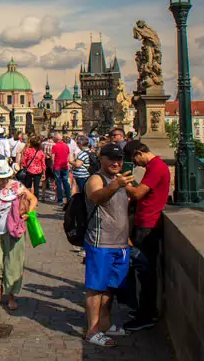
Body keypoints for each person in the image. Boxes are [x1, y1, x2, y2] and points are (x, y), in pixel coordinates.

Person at [83, 143, 135, 347]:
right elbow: (97, 197)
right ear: (101, 159)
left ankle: (104, 323)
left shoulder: (119, 179)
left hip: (120, 242)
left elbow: (135, 197)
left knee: (110, 287)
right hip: (100, 241)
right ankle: (92, 330)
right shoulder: (97, 179)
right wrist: (116, 185)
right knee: (96, 287)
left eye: (119, 159)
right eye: (111, 159)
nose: (116, 163)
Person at [123, 141, 170, 331]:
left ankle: (147, 315)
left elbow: (139, 194)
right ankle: (143, 310)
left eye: (134, 159)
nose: (135, 164)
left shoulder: (157, 167)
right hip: (144, 223)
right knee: (142, 270)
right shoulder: (153, 166)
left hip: (149, 226)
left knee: (146, 272)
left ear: (139, 153)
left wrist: (121, 183)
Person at [0, 159, 37, 309]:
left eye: (5, 177)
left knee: (13, 265)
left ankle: (11, 295)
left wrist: (29, 213)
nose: (3, 180)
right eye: (0, 177)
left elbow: (33, 199)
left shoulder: (17, 186)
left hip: (14, 231)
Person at [51, 132, 71, 207]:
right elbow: (68, 157)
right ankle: (69, 198)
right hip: (65, 166)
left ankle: (60, 199)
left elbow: (53, 158)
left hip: (57, 166)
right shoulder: (66, 146)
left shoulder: (55, 146)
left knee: (58, 182)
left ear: (56, 138)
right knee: (66, 182)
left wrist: (52, 166)